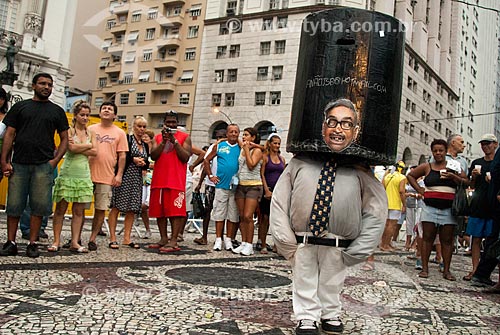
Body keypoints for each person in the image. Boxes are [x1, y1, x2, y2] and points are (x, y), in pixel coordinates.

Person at [271, 98, 387, 334]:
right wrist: (285, 239)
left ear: (355, 131)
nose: (338, 129)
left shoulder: (359, 169)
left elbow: (375, 208)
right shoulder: (300, 163)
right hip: (303, 239)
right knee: (303, 279)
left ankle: (330, 313)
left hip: (338, 242)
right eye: (332, 122)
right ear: (322, 127)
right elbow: (280, 201)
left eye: (346, 124)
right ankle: (306, 316)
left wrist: (361, 248)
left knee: (332, 281)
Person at [0, 73, 69, 258]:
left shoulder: (57, 111)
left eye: (49, 84)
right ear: (33, 86)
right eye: (42, 84)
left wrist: (55, 161)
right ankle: (11, 242)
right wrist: (4, 161)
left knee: (39, 207)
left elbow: (64, 139)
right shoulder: (20, 107)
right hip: (19, 164)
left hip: (43, 166)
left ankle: (32, 243)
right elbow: (9, 134)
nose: (46, 87)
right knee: (14, 205)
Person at [407, 139, 467, 281]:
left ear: (446, 152)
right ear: (432, 152)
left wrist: (454, 177)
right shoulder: (427, 167)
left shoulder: (454, 166)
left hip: (448, 209)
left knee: (447, 240)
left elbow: (467, 182)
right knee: (427, 238)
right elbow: (410, 176)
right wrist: (420, 189)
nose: (438, 153)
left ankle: (446, 270)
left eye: (441, 150)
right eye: (435, 151)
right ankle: (425, 268)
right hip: (429, 207)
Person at [50, 100, 97, 253]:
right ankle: (56, 240)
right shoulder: (69, 131)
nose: (85, 118)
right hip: (68, 172)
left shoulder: (91, 133)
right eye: (82, 115)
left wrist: (81, 148)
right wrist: (88, 146)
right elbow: (70, 148)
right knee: (60, 208)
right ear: (75, 116)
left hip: (83, 173)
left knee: (79, 210)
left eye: (87, 115)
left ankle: (75, 241)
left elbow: (95, 151)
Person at [86, 101, 128, 251]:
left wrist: (119, 175)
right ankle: (75, 237)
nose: (106, 110)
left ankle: (92, 238)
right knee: (80, 207)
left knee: (100, 208)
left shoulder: (120, 133)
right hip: (86, 175)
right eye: (104, 108)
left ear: (115, 115)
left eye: (110, 109)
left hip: (107, 176)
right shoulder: (90, 128)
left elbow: (122, 156)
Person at [148, 110, 192, 253]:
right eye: (168, 122)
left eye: (174, 122)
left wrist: (175, 142)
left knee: (175, 212)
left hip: (176, 181)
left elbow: (185, 157)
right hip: (159, 179)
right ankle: (163, 238)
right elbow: (153, 156)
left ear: (177, 123)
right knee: (159, 211)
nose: (171, 124)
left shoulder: (185, 137)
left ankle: (174, 240)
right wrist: (163, 142)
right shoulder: (157, 137)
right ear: (164, 123)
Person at [107, 116, 149, 249]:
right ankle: (113, 237)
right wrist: (134, 160)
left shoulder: (145, 144)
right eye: (139, 126)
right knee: (117, 206)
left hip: (137, 178)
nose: (141, 129)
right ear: (133, 126)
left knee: (132, 208)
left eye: (144, 127)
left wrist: (143, 163)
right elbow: (122, 155)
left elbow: (147, 161)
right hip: (124, 176)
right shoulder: (127, 139)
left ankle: (127, 237)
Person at [463, 134, 498, 281]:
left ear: (495, 144)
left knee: (492, 241)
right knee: (475, 239)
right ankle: (475, 269)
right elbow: (471, 186)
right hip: (478, 205)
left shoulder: (497, 163)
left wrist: (492, 180)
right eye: (483, 144)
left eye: (488, 144)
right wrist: (474, 177)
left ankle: (486, 272)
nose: (485, 147)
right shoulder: (476, 162)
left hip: (494, 207)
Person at [204, 124, 241, 252]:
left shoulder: (241, 147)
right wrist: (211, 175)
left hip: (236, 187)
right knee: (219, 213)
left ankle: (229, 239)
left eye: (236, 132)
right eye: (231, 132)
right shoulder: (219, 146)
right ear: (227, 133)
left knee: (233, 214)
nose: (233, 134)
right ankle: (218, 238)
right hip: (221, 185)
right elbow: (206, 160)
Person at [233, 127, 263, 256]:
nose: (243, 137)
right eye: (243, 135)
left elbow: (251, 165)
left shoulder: (257, 150)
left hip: (253, 186)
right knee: (241, 216)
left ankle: (250, 244)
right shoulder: (242, 149)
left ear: (253, 137)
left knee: (248, 216)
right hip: (241, 185)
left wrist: (246, 150)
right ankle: (244, 242)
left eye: (246, 135)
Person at [193, 130, 227, 246]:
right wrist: (200, 183)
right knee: (207, 210)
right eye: (217, 137)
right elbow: (206, 164)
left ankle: (221, 237)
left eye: (222, 137)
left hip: (223, 183)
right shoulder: (213, 147)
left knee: (222, 211)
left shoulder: (229, 148)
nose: (219, 139)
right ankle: (204, 236)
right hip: (211, 184)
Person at [257, 134, 286, 254]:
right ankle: (262, 243)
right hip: (267, 188)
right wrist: (266, 189)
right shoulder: (265, 157)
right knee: (265, 218)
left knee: (277, 219)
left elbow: (283, 174)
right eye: (275, 143)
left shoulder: (281, 159)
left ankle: (276, 243)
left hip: (278, 190)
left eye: (279, 143)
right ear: (270, 143)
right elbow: (262, 174)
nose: (277, 145)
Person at [379, 161, 406, 251]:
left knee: (386, 224)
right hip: (395, 204)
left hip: (386, 203)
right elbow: (402, 191)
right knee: (392, 225)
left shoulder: (387, 176)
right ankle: (385, 245)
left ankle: (383, 243)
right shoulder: (402, 177)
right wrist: (404, 204)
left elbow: (382, 188)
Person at [140, 129, 155, 239]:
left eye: (146, 137)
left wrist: (148, 166)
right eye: (143, 137)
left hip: (153, 180)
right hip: (143, 181)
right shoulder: (141, 151)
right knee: (142, 207)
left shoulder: (154, 152)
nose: (144, 139)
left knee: (147, 204)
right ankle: (147, 229)